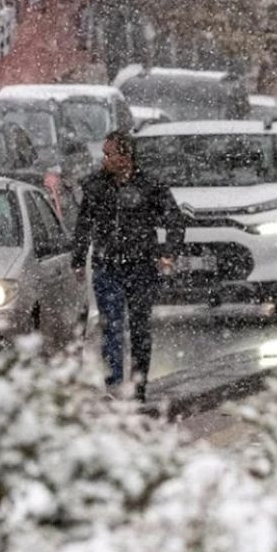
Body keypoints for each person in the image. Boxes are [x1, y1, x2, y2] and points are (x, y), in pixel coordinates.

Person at [71, 130, 184, 401]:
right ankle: (115, 384)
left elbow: (174, 220)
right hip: (107, 265)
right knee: (111, 325)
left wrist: (168, 252)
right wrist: (77, 259)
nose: (104, 160)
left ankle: (138, 385)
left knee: (139, 327)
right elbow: (84, 224)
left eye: (109, 154)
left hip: (141, 266)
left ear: (126, 157)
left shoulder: (150, 186)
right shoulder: (97, 187)